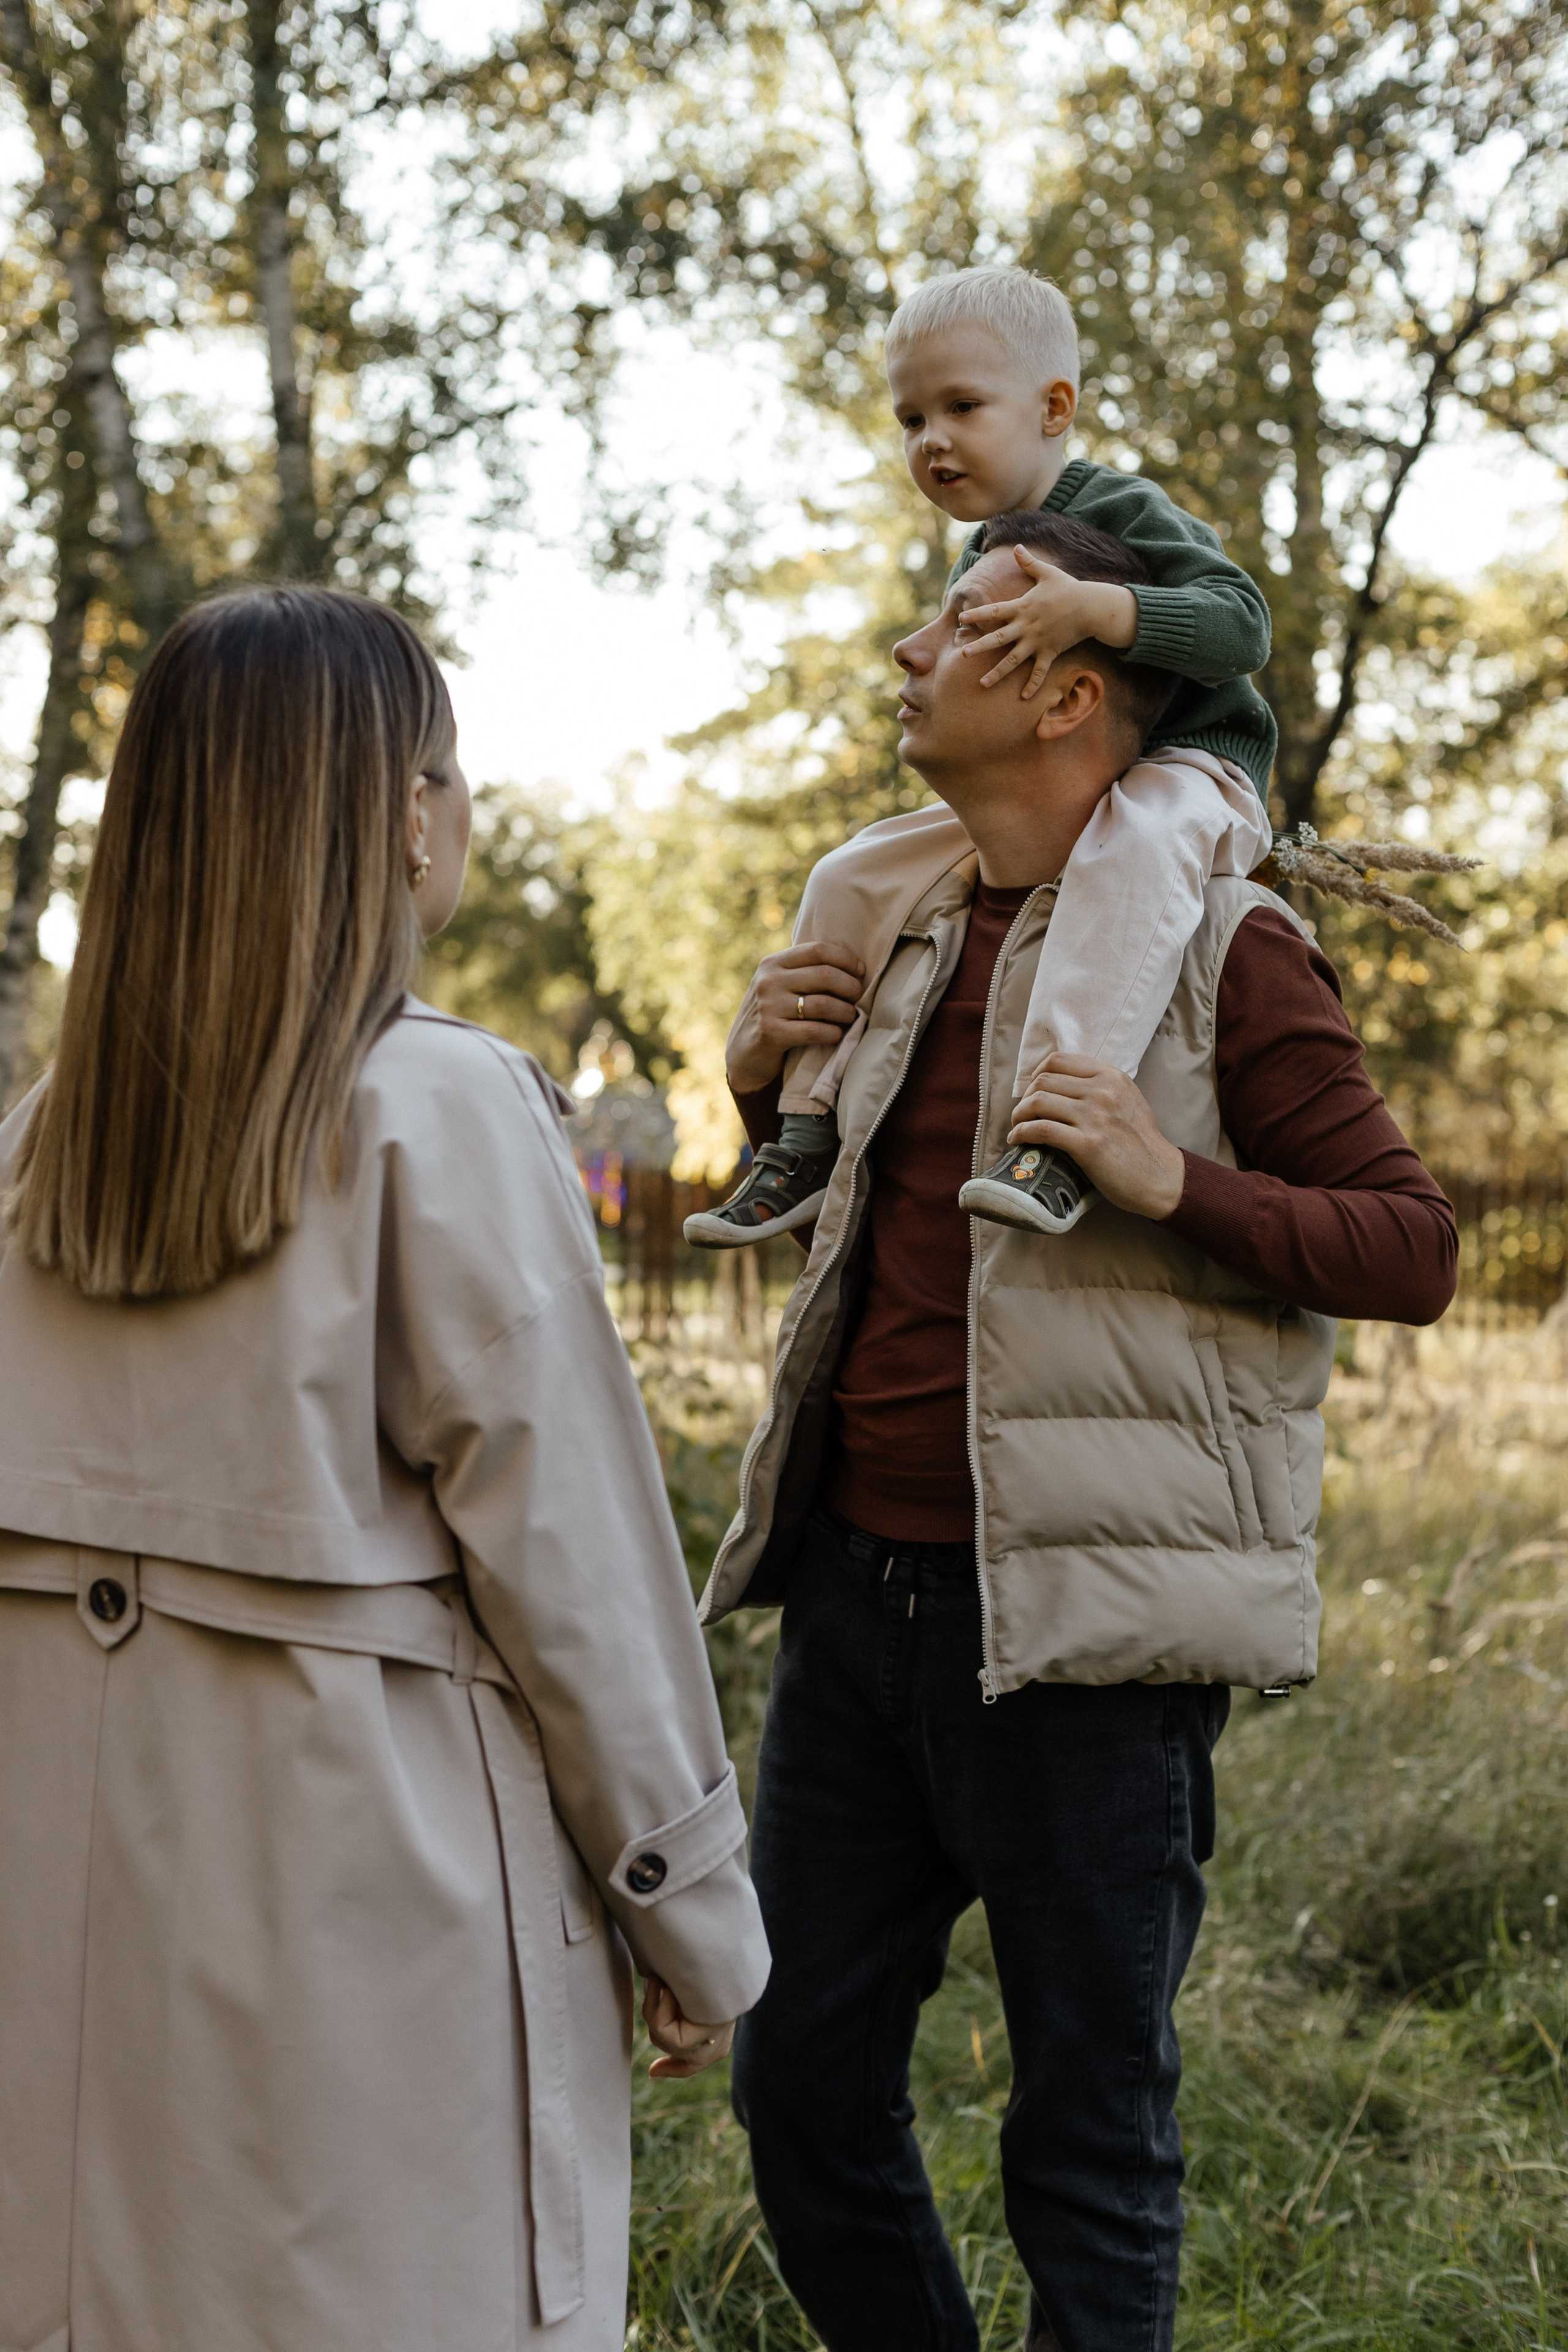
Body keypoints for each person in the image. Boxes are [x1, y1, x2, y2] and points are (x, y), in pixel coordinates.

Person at [701, 517, 1458, 2352]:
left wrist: (1163, 1175)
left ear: (1068, 694)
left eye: (959, 628)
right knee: (797, 2088)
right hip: (856, 1625)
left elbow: (1415, 1247)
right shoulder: (900, 926)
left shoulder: (1227, 949)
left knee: (1089, 2155)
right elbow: (858, 1248)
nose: (907, 652)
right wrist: (756, 1086)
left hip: (1088, 1664)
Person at [0, 587, 769, 2352]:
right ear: (404, 815)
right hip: (363, 1893)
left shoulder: (42, 1139)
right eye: (452, 773)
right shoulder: (440, 1103)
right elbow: (574, 1558)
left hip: (65, 1929)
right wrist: (689, 1907)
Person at [685, 265, 1275, 1250]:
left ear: (1054, 408)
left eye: (961, 405)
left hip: (1186, 769)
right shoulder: (983, 552)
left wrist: (1100, 610)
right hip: (1069, 794)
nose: (932, 441)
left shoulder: (1122, 510)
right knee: (857, 867)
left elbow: (1244, 626)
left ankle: (1056, 1134)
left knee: (1136, 853)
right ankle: (803, 1132)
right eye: (912, 418)